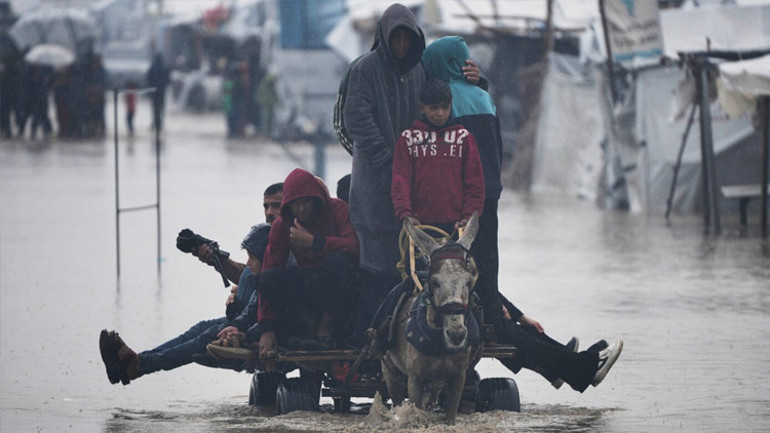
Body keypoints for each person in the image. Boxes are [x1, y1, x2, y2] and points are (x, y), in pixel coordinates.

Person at [343, 4, 484, 338]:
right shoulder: (364, 69)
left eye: (408, 39)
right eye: (397, 39)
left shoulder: (421, 72)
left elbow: (447, 98)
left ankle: (419, 337)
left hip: (414, 190)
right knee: (376, 265)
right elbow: (355, 120)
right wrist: (390, 159)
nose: (402, 45)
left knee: (418, 270)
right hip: (373, 187)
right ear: (385, 38)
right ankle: (373, 338)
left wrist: (480, 81)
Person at [98, 183, 283, 385]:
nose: (269, 212)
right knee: (200, 329)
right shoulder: (269, 240)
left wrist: (242, 325)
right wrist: (216, 259)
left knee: (206, 335)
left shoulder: (289, 244)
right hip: (247, 317)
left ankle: (140, 365)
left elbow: (267, 290)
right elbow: (249, 273)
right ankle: (139, 362)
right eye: (266, 206)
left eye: (276, 206)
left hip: (260, 323)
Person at [252, 168, 359, 361]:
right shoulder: (282, 225)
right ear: (289, 206)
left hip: (340, 288)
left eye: (306, 202)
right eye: (296, 204)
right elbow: (270, 269)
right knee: (267, 279)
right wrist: (266, 329)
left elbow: (354, 247)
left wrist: (314, 242)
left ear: (316, 200)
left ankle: (326, 328)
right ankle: (309, 327)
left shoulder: (337, 209)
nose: (301, 209)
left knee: (339, 260)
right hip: (309, 285)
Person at [391, 78, 485, 234]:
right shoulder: (408, 139)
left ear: (451, 106)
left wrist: (469, 216)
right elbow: (401, 181)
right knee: (413, 259)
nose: (440, 113)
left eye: (445, 107)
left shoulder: (464, 138)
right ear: (422, 107)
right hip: (418, 225)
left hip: (457, 227)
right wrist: (405, 214)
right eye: (434, 108)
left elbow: (475, 183)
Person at [146, 53, 170, 132]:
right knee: (161, 108)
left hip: (155, 91)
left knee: (155, 109)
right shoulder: (164, 67)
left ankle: (155, 123)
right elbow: (168, 80)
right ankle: (160, 124)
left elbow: (148, 78)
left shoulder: (153, 67)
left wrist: (152, 86)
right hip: (161, 91)